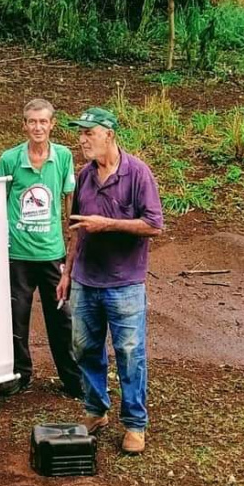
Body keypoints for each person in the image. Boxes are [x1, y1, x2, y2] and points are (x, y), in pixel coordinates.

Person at [58, 107, 163, 454]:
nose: (82, 139)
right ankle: (95, 409)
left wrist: (109, 224)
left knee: (130, 354)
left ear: (110, 135)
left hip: (124, 283)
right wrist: (68, 272)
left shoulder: (138, 174)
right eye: (80, 133)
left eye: (89, 133)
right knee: (85, 349)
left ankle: (135, 424)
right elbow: (77, 229)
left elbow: (153, 225)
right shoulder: (84, 176)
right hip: (86, 280)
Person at [0, 99, 83, 400]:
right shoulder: (9, 159)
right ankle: (19, 375)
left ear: (52, 124)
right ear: (24, 124)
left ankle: (72, 379)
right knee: (15, 316)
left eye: (43, 122)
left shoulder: (62, 156)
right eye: (32, 122)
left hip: (51, 254)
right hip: (17, 254)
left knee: (61, 318)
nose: (37, 127)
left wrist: (72, 239)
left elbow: (69, 198)